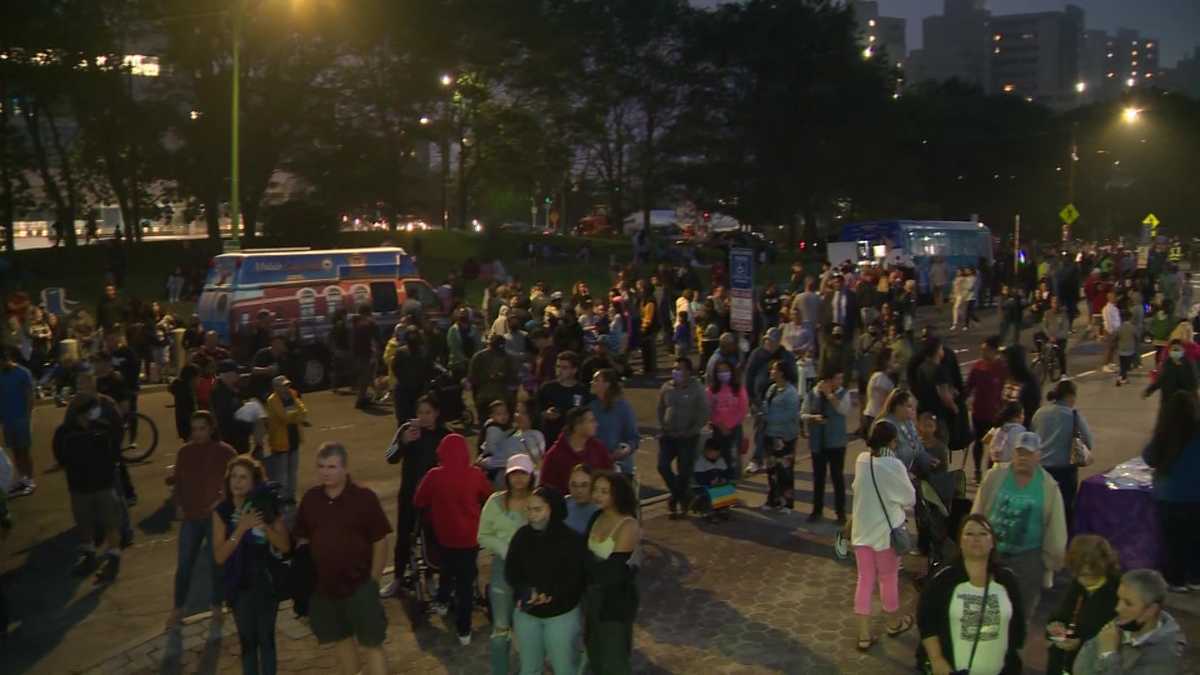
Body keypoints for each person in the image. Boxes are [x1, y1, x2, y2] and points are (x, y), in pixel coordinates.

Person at [294, 443, 391, 675]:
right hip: (325, 589)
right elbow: (301, 539)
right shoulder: (310, 499)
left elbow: (380, 541)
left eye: (332, 466)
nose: (325, 472)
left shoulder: (364, 498)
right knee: (341, 639)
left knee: (371, 644)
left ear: (345, 468)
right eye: (321, 466)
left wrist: (374, 582)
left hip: (360, 586)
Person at [972, 431, 1067, 621]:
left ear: (1039, 456)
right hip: (993, 554)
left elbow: (1056, 530)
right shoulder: (995, 476)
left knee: (1021, 610)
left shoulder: (1049, 487)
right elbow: (978, 512)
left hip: (1028, 559)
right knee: (987, 606)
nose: (1023, 457)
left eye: (1029, 453)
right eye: (1019, 452)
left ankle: (1015, 644)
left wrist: (1052, 562)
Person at [917, 514, 1027, 675]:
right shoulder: (943, 579)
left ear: (992, 543)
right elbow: (926, 620)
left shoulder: (1007, 580)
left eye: (983, 534)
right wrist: (936, 659)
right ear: (960, 541)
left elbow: (1018, 625)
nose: (976, 538)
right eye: (969, 534)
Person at [212, 456, 291, 675]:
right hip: (239, 585)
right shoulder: (222, 511)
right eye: (234, 477)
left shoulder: (265, 506)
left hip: (265, 582)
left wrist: (264, 527)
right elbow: (219, 556)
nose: (237, 482)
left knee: (266, 641)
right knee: (247, 644)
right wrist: (240, 529)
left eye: (243, 477)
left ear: (254, 482)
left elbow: (285, 545)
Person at [412, 433, 493, 645]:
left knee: (446, 568)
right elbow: (489, 495)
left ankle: (442, 599)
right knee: (466, 583)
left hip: (445, 536)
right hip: (470, 537)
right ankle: (464, 630)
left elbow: (419, 500)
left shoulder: (434, 476)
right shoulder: (474, 474)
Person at [504, 486, 587, 675]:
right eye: (529, 509)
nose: (532, 515)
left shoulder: (572, 540)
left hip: (561, 616)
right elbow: (512, 571)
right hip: (527, 613)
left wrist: (550, 593)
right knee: (529, 669)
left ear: (553, 509)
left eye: (538, 509)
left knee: (564, 668)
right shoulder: (522, 536)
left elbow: (576, 578)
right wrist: (525, 590)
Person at [167, 411, 237, 628]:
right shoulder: (185, 452)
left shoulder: (225, 452)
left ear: (211, 428)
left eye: (202, 428)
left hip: (214, 517)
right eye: (194, 429)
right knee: (185, 565)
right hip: (190, 516)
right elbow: (178, 481)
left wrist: (221, 500)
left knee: (217, 563)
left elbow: (235, 481)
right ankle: (178, 610)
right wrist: (178, 505)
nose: (197, 433)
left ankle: (217, 607)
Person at [851, 422, 916, 650]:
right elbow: (909, 498)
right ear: (892, 442)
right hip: (886, 535)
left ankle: (863, 636)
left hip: (861, 533)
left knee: (864, 580)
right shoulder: (895, 465)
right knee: (888, 579)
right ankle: (893, 624)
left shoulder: (861, 460)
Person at [380, 395, 448, 598]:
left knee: (434, 538)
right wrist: (403, 441)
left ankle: (432, 576)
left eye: (428, 412)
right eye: (420, 412)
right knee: (404, 537)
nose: (424, 417)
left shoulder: (445, 434)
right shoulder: (407, 430)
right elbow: (389, 456)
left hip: (435, 498)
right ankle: (398, 578)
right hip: (409, 494)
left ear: (436, 413)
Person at [53, 393, 124, 582]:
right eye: (93, 408)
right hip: (80, 488)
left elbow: (114, 452)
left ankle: (114, 559)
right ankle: (90, 555)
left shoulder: (102, 428)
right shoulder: (64, 433)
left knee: (111, 524)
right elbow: (61, 457)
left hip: (103, 486)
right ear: (82, 412)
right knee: (84, 525)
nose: (97, 411)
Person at [477, 454, 533, 673]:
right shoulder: (495, 502)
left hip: (531, 572)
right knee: (501, 629)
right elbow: (483, 535)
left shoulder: (537, 502)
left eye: (523, 474)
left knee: (528, 628)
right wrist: (505, 548)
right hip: (502, 568)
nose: (518, 479)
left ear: (531, 476)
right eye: (514, 474)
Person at [1073, 569, 1186, 675]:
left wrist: (1108, 654)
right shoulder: (1123, 624)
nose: (1118, 608)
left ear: (1151, 610)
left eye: (1128, 603)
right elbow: (1079, 669)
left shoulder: (1165, 655)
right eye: (1119, 599)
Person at [1141, 391, 1200, 592]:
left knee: (1172, 541)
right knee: (1195, 538)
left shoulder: (1164, 435)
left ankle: (1175, 580)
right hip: (1196, 496)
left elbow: (1148, 457)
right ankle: (1195, 578)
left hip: (1168, 496)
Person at [584, 472, 640, 674]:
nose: (597, 495)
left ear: (617, 495)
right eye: (596, 490)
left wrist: (586, 567)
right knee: (595, 652)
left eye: (604, 491)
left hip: (615, 600)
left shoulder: (628, 525)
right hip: (591, 597)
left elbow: (614, 571)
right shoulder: (596, 516)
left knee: (614, 658)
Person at [1045, 535, 1121, 675]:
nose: (1083, 580)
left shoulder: (1118, 592)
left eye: (1088, 574)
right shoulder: (1076, 585)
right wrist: (1056, 626)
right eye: (1078, 574)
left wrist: (1081, 642)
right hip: (1063, 662)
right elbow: (1061, 614)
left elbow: (1113, 634)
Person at [1032, 380, 1094, 536]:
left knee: (1042, 507)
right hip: (1065, 471)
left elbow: (1032, 436)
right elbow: (1089, 441)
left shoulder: (1040, 413)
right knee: (1064, 510)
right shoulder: (1074, 415)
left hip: (1041, 470)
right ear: (1070, 396)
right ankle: (1062, 542)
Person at [656, 357, 710, 518]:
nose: (676, 372)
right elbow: (660, 408)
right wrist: (663, 426)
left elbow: (703, 413)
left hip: (688, 437)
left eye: (679, 369)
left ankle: (677, 498)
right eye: (674, 368)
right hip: (668, 436)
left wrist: (692, 429)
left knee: (684, 471)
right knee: (662, 466)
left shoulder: (697, 389)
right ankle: (682, 497)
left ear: (688, 372)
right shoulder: (666, 387)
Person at [802, 368, 852, 522]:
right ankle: (817, 510)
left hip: (836, 442)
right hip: (818, 442)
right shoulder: (812, 394)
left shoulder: (843, 394)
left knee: (837, 477)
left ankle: (840, 512)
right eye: (837, 378)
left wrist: (830, 395)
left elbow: (844, 410)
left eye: (840, 379)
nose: (839, 382)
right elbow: (803, 413)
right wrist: (812, 418)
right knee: (818, 478)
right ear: (826, 380)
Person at [540, 407, 614, 494]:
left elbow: (610, 478)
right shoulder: (554, 455)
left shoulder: (599, 448)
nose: (596, 424)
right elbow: (546, 489)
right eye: (591, 421)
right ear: (577, 426)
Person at [965, 337, 1009, 484]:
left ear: (994, 351)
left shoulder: (1002, 368)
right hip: (979, 413)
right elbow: (968, 387)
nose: (983, 353)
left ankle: (990, 473)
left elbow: (1008, 390)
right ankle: (977, 471)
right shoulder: (977, 367)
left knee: (993, 444)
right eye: (982, 350)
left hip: (995, 416)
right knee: (978, 443)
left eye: (986, 350)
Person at [762, 360, 801, 512]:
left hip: (785, 437)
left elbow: (790, 414)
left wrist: (770, 417)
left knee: (785, 471)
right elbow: (766, 405)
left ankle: (787, 502)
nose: (771, 372)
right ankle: (773, 500)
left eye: (774, 369)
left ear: (782, 372)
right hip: (770, 435)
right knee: (771, 470)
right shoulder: (772, 389)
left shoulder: (791, 393)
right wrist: (763, 415)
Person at [264, 375, 307, 504]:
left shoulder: (292, 395)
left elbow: (304, 411)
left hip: (293, 439)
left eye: (287, 385)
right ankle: (281, 497)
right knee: (281, 473)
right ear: (276, 388)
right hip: (280, 441)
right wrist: (297, 416)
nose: (287, 388)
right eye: (284, 386)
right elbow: (284, 417)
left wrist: (296, 415)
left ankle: (291, 496)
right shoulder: (272, 400)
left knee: (292, 471)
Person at [536, 351, 591, 447]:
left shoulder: (582, 391)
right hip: (550, 439)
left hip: (574, 440)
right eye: (558, 366)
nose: (559, 371)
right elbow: (535, 411)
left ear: (574, 370)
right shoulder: (546, 388)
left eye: (564, 368)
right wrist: (546, 414)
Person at [588, 368, 638, 474]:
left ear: (607, 384)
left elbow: (633, 437)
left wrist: (626, 449)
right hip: (596, 466)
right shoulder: (591, 407)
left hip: (619, 467)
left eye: (596, 380)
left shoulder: (622, 407)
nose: (592, 383)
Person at [0, 348, 35, 497]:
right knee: (15, 451)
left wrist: (26, 417)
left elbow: (29, 397)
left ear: (6, 358)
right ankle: (23, 479)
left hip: (21, 418)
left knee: (24, 451)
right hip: (7, 419)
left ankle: (30, 480)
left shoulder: (23, 373)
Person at [707, 359, 749, 474]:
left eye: (726, 370)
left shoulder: (738, 389)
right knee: (720, 455)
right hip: (718, 429)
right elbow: (709, 410)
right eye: (720, 371)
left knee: (735, 455)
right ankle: (724, 480)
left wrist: (730, 425)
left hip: (735, 428)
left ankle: (735, 478)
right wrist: (719, 424)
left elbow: (743, 408)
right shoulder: (711, 390)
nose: (723, 374)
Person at [1143, 338, 1198, 404]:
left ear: (1183, 350)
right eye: (1174, 350)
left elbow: (1194, 382)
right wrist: (1149, 390)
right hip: (1169, 400)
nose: (1176, 352)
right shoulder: (1167, 364)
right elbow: (1160, 379)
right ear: (1169, 351)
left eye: (1178, 349)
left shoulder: (1188, 364)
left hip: (1186, 401)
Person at [1001, 345, 1041, 428]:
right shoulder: (1007, 377)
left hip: (1020, 431)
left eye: (1006, 360)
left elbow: (1032, 409)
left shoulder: (1029, 381)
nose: (1003, 362)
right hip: (1004, 427)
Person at [862, 349, 898, 438]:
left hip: (877, 416)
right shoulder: (879, 378)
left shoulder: (884, 377)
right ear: (886, 361)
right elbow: (886, 400)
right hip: (875, 417)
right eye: (893, 358)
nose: (896, 361)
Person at [1043, 296, 1071, 376]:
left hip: (1061, 338)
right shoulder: (1047, 313)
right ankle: (1040, 356)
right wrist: (1049, 336)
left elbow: (1065, 329)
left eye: (1057, 303)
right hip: (1050, 336)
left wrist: (1056, 337)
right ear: (1051, 304)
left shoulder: (1063, 314)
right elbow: (1044, 326)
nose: (1055, 305)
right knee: (1037, 336)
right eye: (1054, 303)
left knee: (1061, 354)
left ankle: (1063, 373)